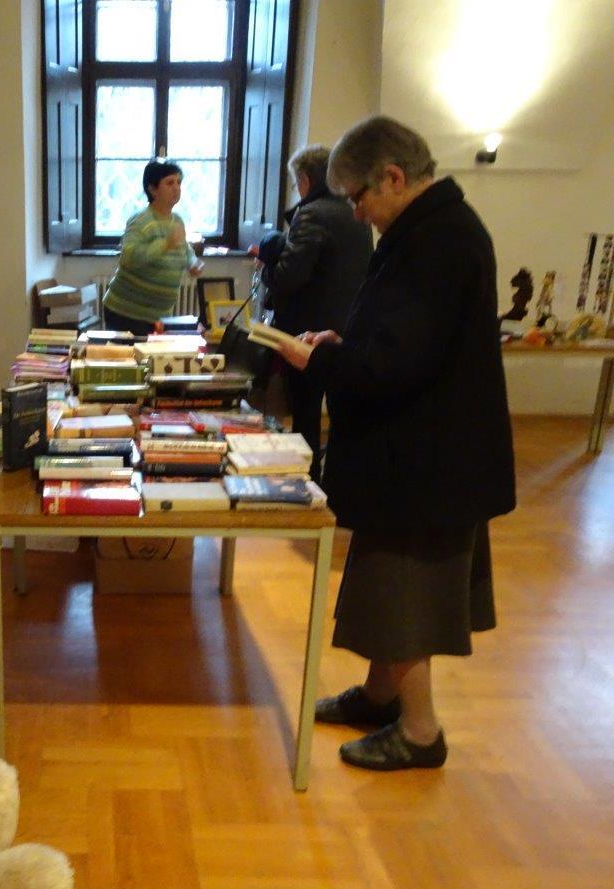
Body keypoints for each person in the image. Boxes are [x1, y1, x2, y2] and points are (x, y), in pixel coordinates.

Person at [266, 116, 516, 771]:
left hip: (426, 461)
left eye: (358, 197)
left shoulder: (440, 242)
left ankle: (421, 732)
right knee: (385, 582)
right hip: (417, 453)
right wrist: (341, 343)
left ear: (394, 178)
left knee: (406, 595)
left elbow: (397, 366)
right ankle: (380, 698)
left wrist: (320, 361)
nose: (355, 212)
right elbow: (400, 341)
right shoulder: (428, 230)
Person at [254, 145, 372, 472]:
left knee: (304, 413)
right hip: (347, 327)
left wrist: (266, 267)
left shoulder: (311, 214)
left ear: (306, 180)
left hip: (308, 331)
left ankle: (305, 479)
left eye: (296, 183)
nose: (297, 190)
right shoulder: (355, 212)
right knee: (338, 412)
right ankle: (331, 478)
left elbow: (288, 277)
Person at [102, 159, 204, 337]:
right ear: (153, 189)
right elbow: (129, 258)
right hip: (126, 313)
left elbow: (185, 250)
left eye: (179, 182)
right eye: (170, 183)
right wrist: (165, 244)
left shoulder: (177, 220)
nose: (177, 188)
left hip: (158, 316)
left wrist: (194, 263)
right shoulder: (140, 220)